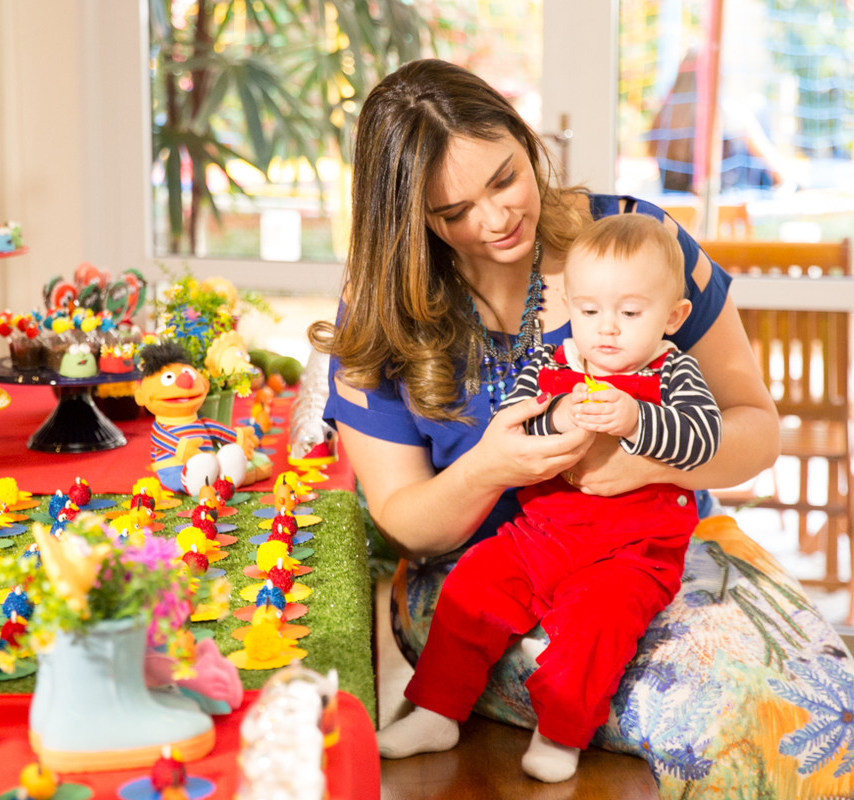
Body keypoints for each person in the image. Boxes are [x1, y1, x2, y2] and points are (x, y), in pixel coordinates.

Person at [306, 57, 779, 770]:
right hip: (487, 566)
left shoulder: (635, 243)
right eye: (455, 212)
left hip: (648, 558)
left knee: (776, 705)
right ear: (409, 222)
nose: (497, 218)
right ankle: (457, 711)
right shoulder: (381, 309)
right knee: (704, 717)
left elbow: (755, 427)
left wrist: (645, 457)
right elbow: (404, 519)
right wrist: (488, 471)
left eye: (504, 178)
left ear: (526, 141)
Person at [374, 213, 723, 781]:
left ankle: (560, 732)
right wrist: (557, 414)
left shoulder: (674, 372)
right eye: (588, 312)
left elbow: (703, 441)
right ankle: (436, 709)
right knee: (473, 588)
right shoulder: (550, 365)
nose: (606, 330)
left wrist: (638, 419)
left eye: (630, 314)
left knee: (597, 626)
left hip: (633, 552)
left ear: (672, 316)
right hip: (542, 535)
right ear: (570, 305)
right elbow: (515, 425)